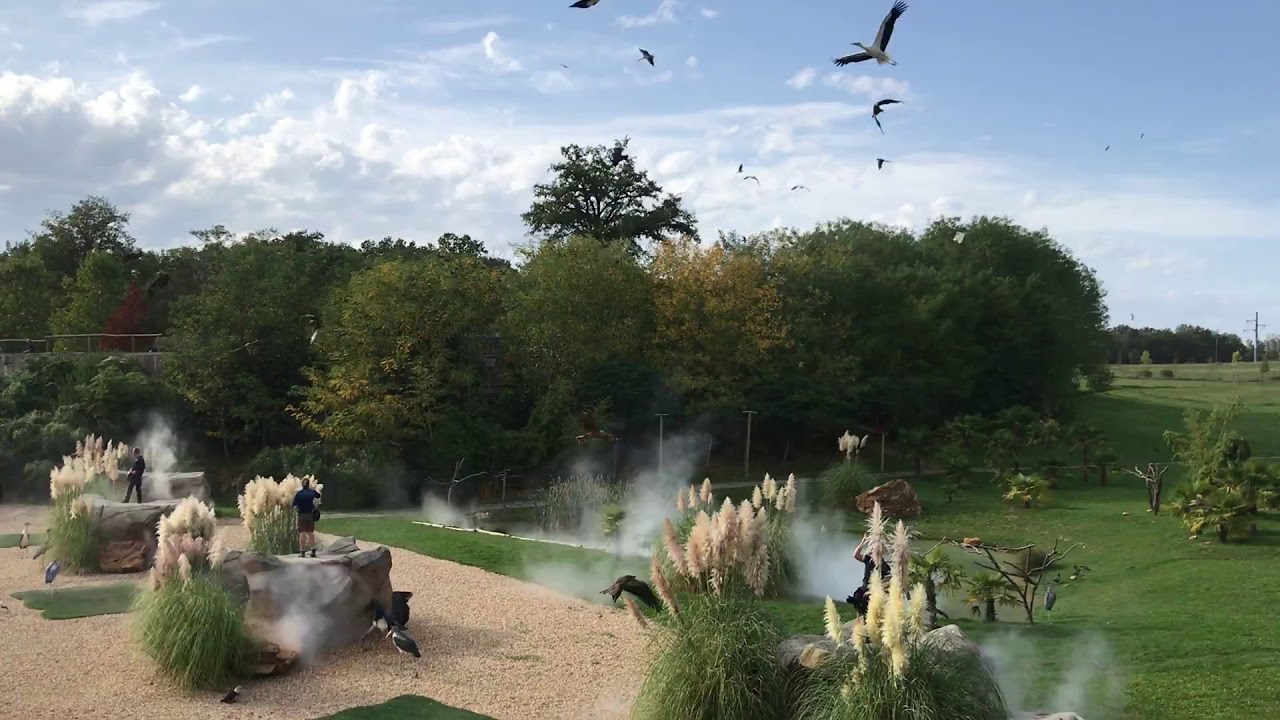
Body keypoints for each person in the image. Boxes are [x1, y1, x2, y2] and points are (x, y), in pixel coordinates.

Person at [847, 535, 891, 616]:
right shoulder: (868, 559)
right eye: (872, 549)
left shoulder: (884, 566)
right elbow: (856, 555)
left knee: (867, 603)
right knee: (857, 597)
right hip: (865, 586)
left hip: (874, 590)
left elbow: (887, 580)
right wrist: (863, 542)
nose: (872, 551)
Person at [292, 476, 322, 558]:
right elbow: (318, 496)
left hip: (301, 515)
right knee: (310, 532)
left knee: (302, 533)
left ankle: (302, 552)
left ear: (302, 485)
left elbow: (294, 504)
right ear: (309, 485)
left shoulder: (299, 493)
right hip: (310, 514)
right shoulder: (312, 492)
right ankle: (313, 551)